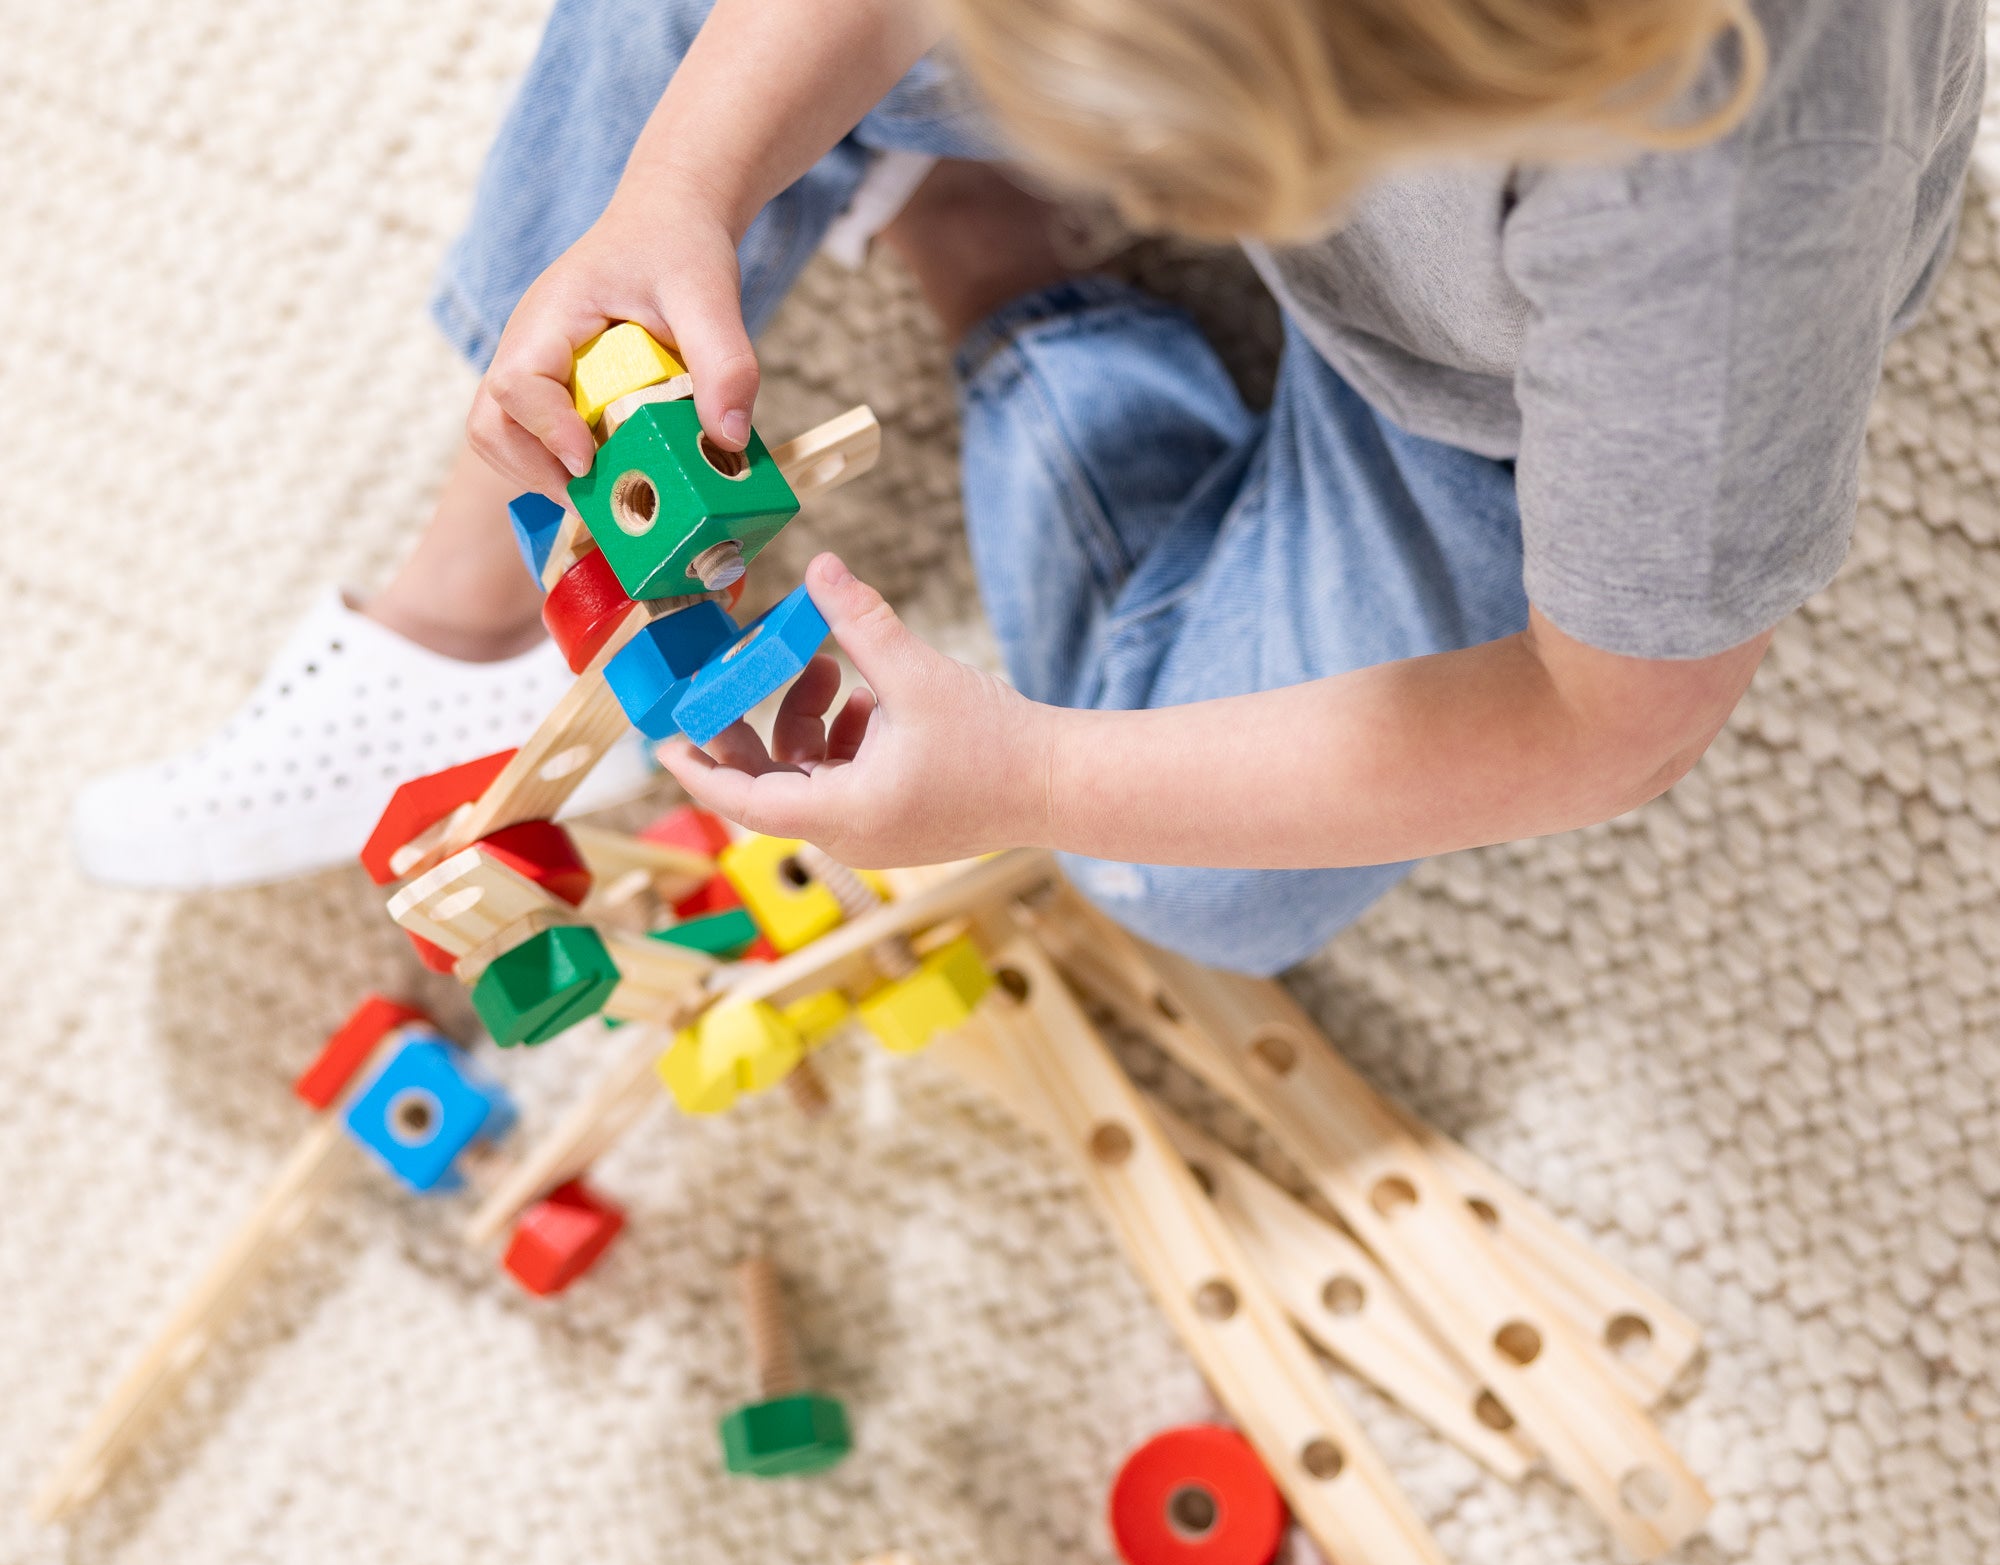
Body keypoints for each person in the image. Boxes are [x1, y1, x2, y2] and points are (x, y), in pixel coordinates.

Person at [77, 0, 1983, 973]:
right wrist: (675, 192)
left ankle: (1010, 271)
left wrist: (1029, 775)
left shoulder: (1726, 182)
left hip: (1489, 403)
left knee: (1198, 885)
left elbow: (1614, 722)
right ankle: (463, 620)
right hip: (1414, 179)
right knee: (691, 79)